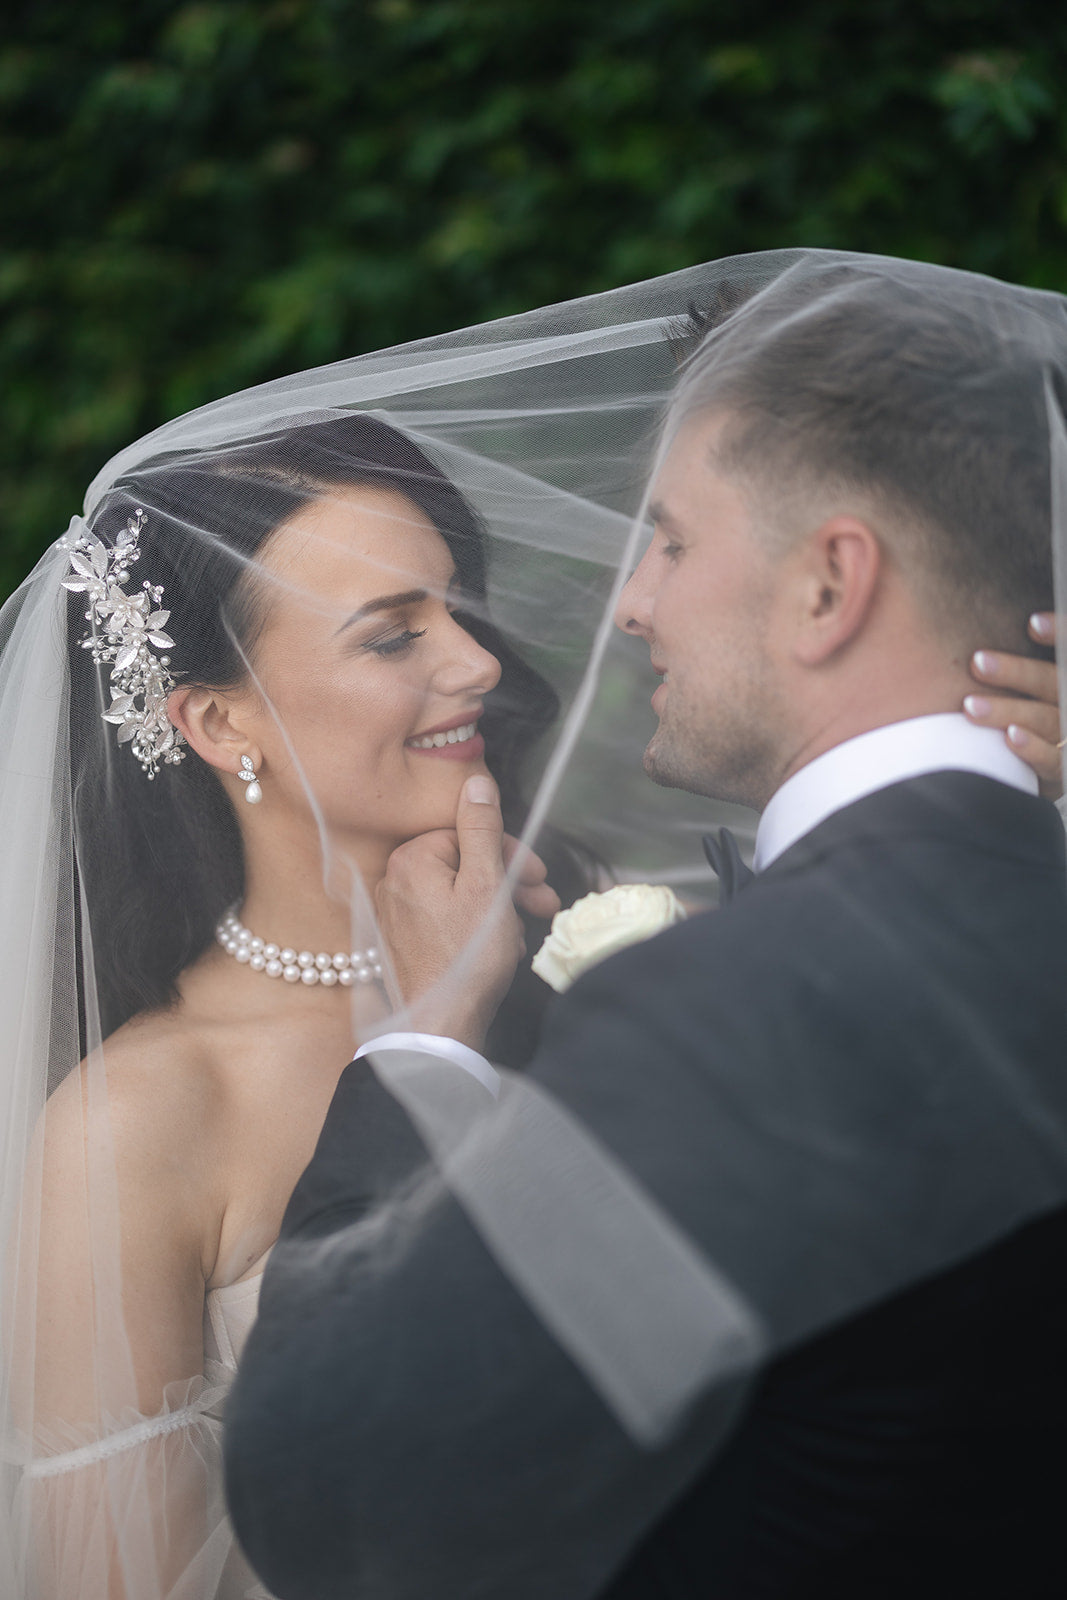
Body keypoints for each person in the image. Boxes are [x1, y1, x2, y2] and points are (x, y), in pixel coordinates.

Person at [0, 256, 1057, 1600]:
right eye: (394, 635)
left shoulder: (641, 961)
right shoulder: (138, 1118)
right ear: (217, 720)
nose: (482, 662)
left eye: (460, 600)